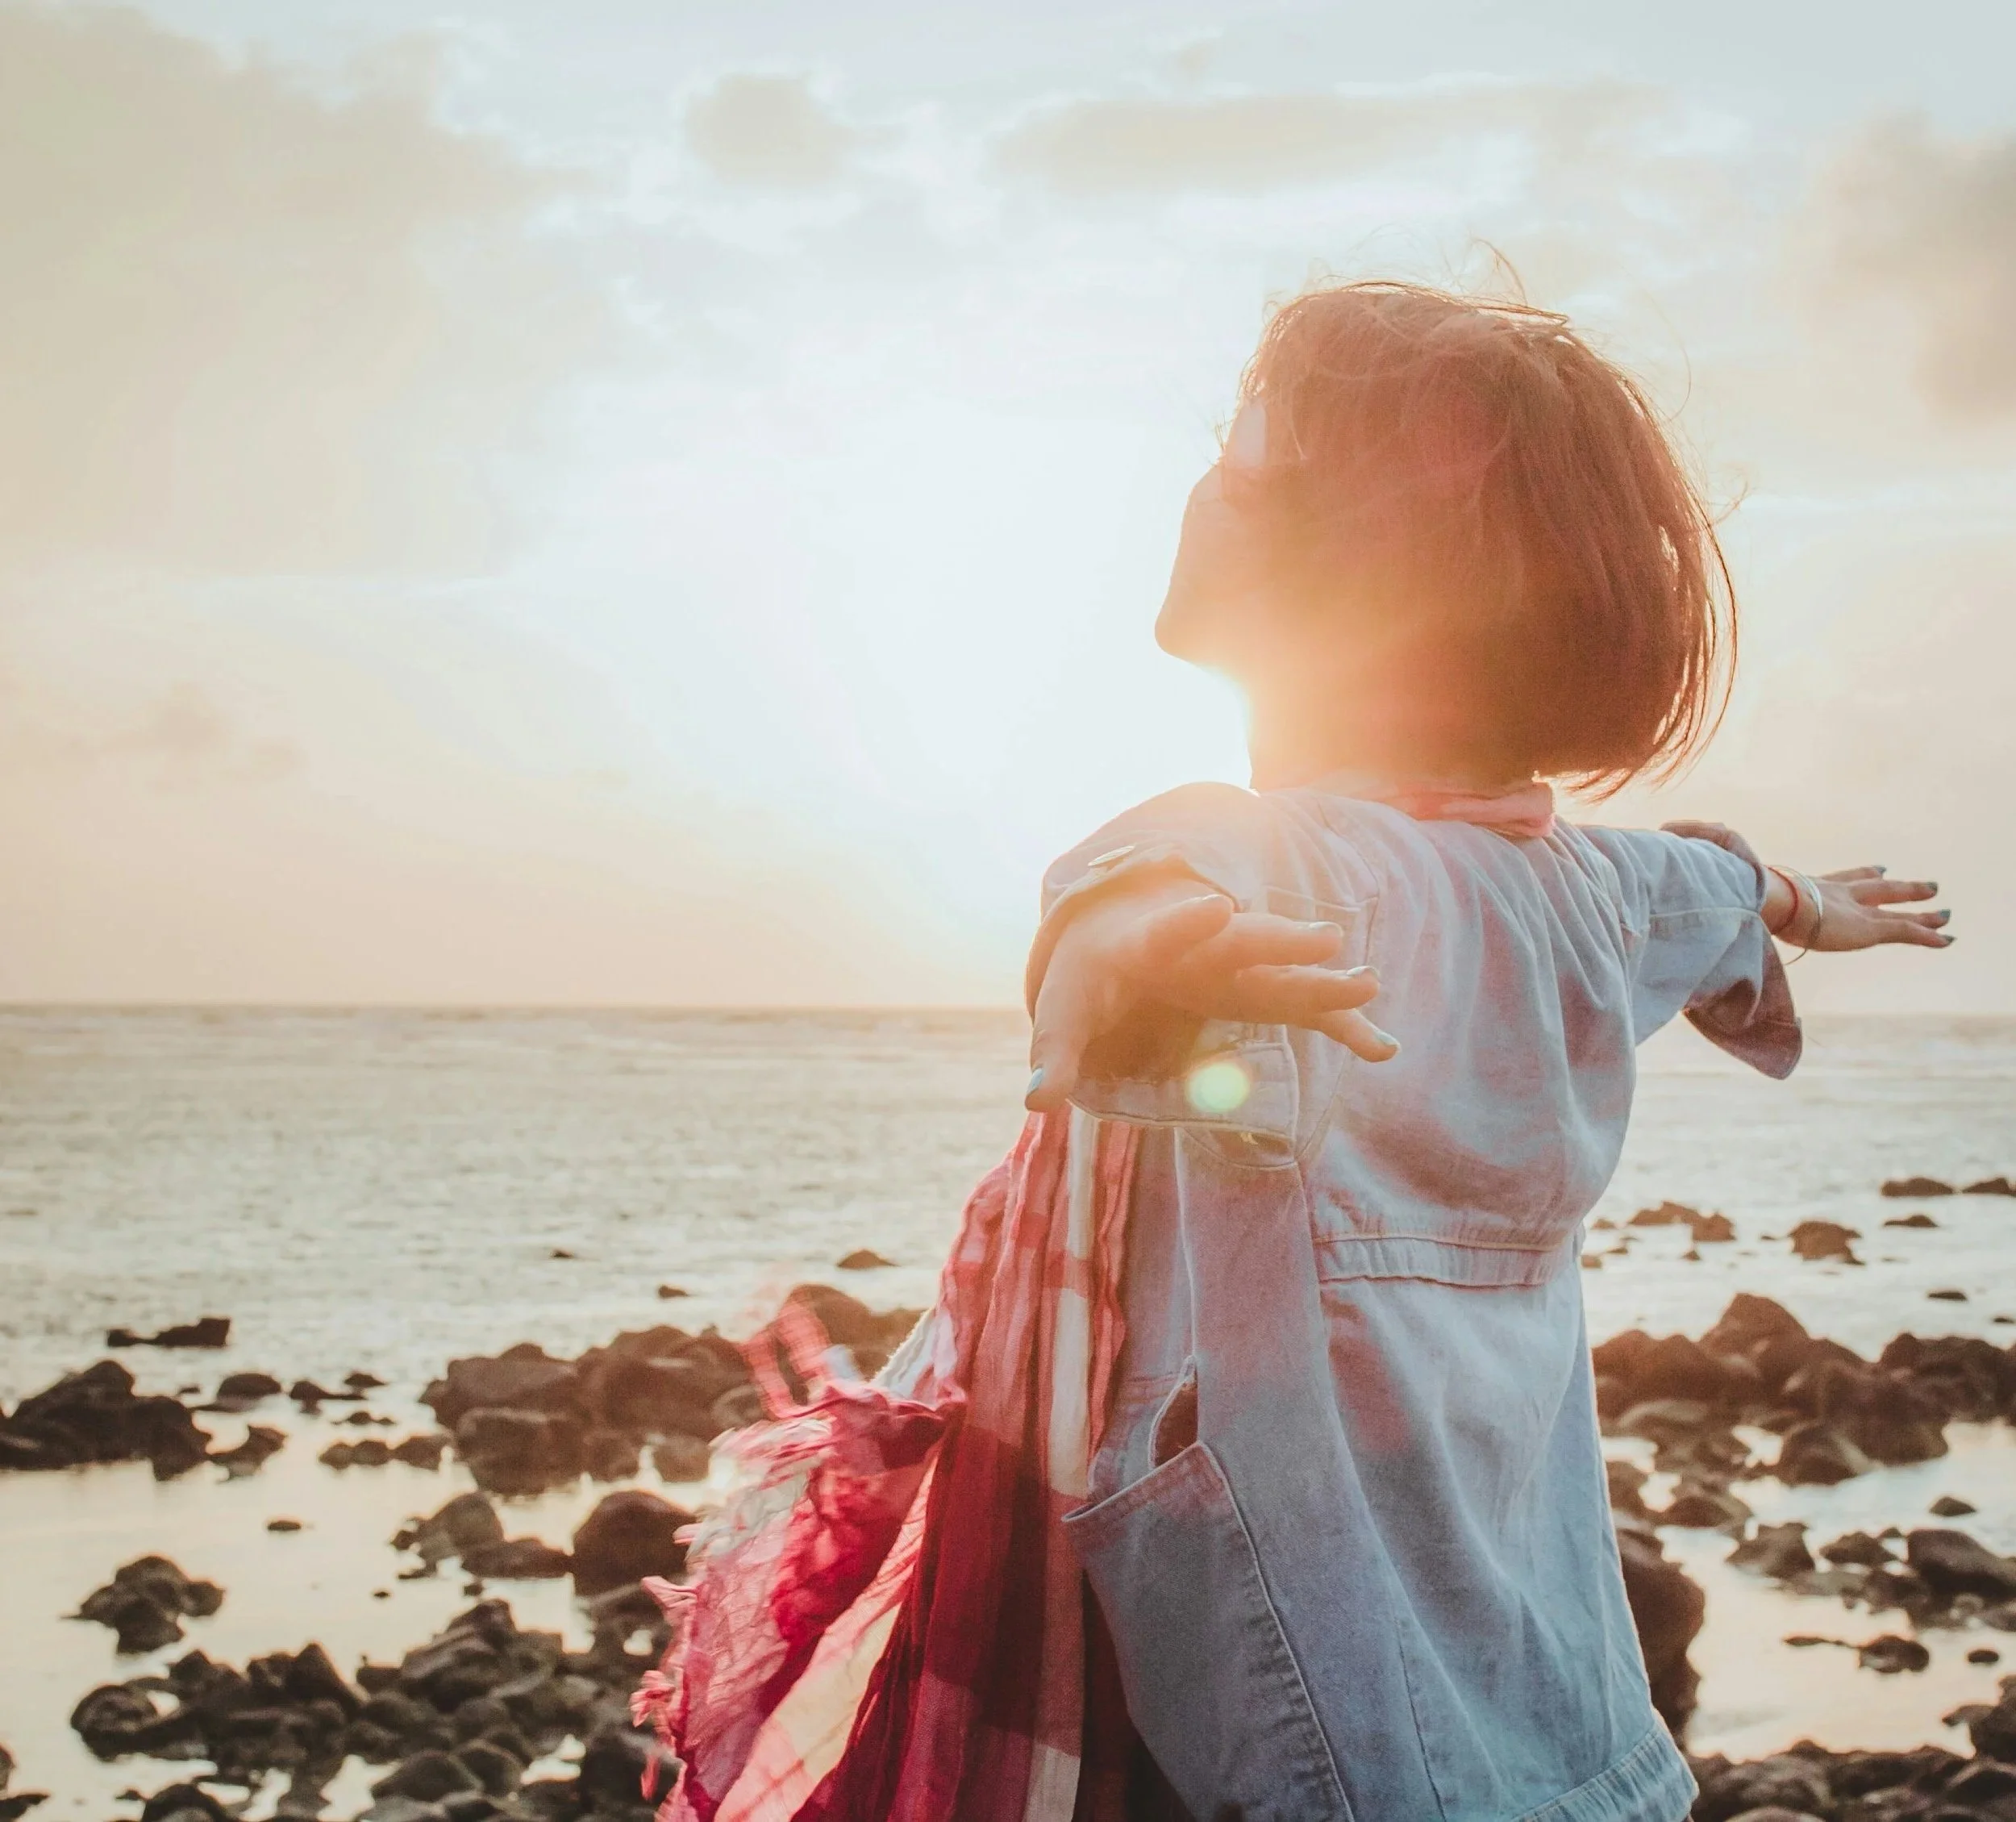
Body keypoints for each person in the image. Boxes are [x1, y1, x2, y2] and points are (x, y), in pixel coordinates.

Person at [1018, 281, 1951, 1822]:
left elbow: (1155, 879)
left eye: (1246, 446)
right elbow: (1704, 887)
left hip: (1299, 1707)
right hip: (1544, 1699)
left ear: (1376, 560)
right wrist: (1805, 900)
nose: (1204, 477)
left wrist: (1133, 957)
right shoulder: (1578, 887)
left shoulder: (1282, 863)